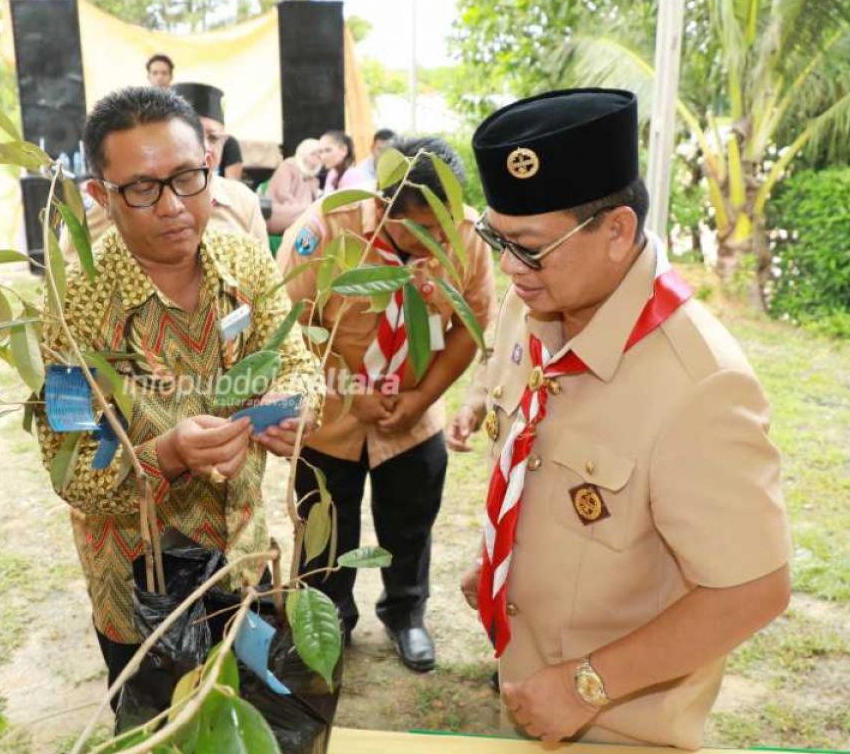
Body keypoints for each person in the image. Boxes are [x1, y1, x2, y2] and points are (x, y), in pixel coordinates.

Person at [448, 88, 791, 748]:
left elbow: (756, 589)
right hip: (524, 685)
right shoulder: (539, 303)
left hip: (618, 728)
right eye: (498, 239)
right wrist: (507, 560)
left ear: (617, 232)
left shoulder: (702, 384)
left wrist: (586, 686)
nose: (509, 269)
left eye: (531, 247)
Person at [36, 86, 325, 687]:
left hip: (244, 560)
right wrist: (167, 455)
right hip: (141, 587)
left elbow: (299, 366)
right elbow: (71, 468)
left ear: (210, 169)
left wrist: (289, 408)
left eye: (188, 178)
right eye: (143, 188)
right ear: (100, 196)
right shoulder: (72, 308)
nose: (172, 206)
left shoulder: (244, 262)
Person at [276, 137, 495, 671]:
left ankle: (406, 614)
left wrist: (423, 397)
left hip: (413, 415)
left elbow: (471, 326)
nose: (436, 243)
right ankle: (329, 620)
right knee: (325, 521)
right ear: (384, 205)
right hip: (332, 413)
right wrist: (350, 391)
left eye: (443, 229)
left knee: (410, 522)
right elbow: (288, 325)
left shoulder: (467, 235)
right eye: (419, 231)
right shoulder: (329, 228)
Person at [67, 82, 269, 258]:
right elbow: (70, 270)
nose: (172, 207)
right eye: (145, 188)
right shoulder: (113, 200)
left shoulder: (243, 202)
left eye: (214, 137)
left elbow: (265, 288)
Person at [265, 138, 321, 235]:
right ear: (303, 154)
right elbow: (282, 194)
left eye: (319, 154)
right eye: (313, 153)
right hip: (280, 210)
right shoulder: (288, 166)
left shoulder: (314, 178)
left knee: (316, 213)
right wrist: (302, 208)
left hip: (302, 212)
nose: (317, 157)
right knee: (312, 213)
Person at [318, 130, 364, 194]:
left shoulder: (353, 175)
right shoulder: (332, 173)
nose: (323, 156)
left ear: (343, 150)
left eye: (328, 150)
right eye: (320, 151)